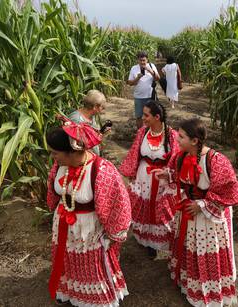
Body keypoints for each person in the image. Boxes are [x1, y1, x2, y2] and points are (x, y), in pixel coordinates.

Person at [152, 118, 238, 307]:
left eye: (181, 136)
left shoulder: (216, 161)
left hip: (208, 219)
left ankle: (207, 290)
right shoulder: (181, 156)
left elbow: (231, 193)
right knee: (189, 247)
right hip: (188, 210)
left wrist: (202, 205)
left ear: (194, 141)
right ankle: (190, 281)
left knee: (204, 249)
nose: (177, 139)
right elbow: (182, 176)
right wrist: (168, 175)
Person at [46, 116, 131, 306]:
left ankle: (94, 299)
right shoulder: (59, 166)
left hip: (89, 231)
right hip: (64, 226)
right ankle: (71, 292)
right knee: (68, 261)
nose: (53, 157)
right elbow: (54, 192)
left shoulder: (101, 170)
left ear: (72, 151)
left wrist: (113, 235)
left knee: (90, 266)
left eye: (55, 153)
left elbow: (118, 204)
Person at [119, 100, 179, 258]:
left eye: (146, 115)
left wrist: (169, 174)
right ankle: (145, 240)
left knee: (161, 210)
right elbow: (134, 153)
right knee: (143, 206)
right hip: (143, 176)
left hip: (162, 179)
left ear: (157, 117)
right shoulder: (143, 132)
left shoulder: (172, 135)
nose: (143, 118)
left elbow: (177, 158)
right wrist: (131, 173)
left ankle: (160, 243)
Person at [68, 90, 109, 156]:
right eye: (102, 107)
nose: (102, 109)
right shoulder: (77, 120)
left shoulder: (91, 116)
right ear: (95, 107)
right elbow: (76, 146)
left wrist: (102, 133)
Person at [127, 51, 160, 129]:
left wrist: (150, 71)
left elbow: (158, 78)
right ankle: (140, 134)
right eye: (140, 60)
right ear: (137, 60)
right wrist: (137, 78)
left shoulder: (151, 66)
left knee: (151, 116)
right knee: (139, 117)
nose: (142, 62)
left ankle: (149, 132)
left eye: (144, 60)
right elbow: (130, 83)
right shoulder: (134, 68)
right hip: (138, 97)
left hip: (150, 96)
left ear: (147, 60)